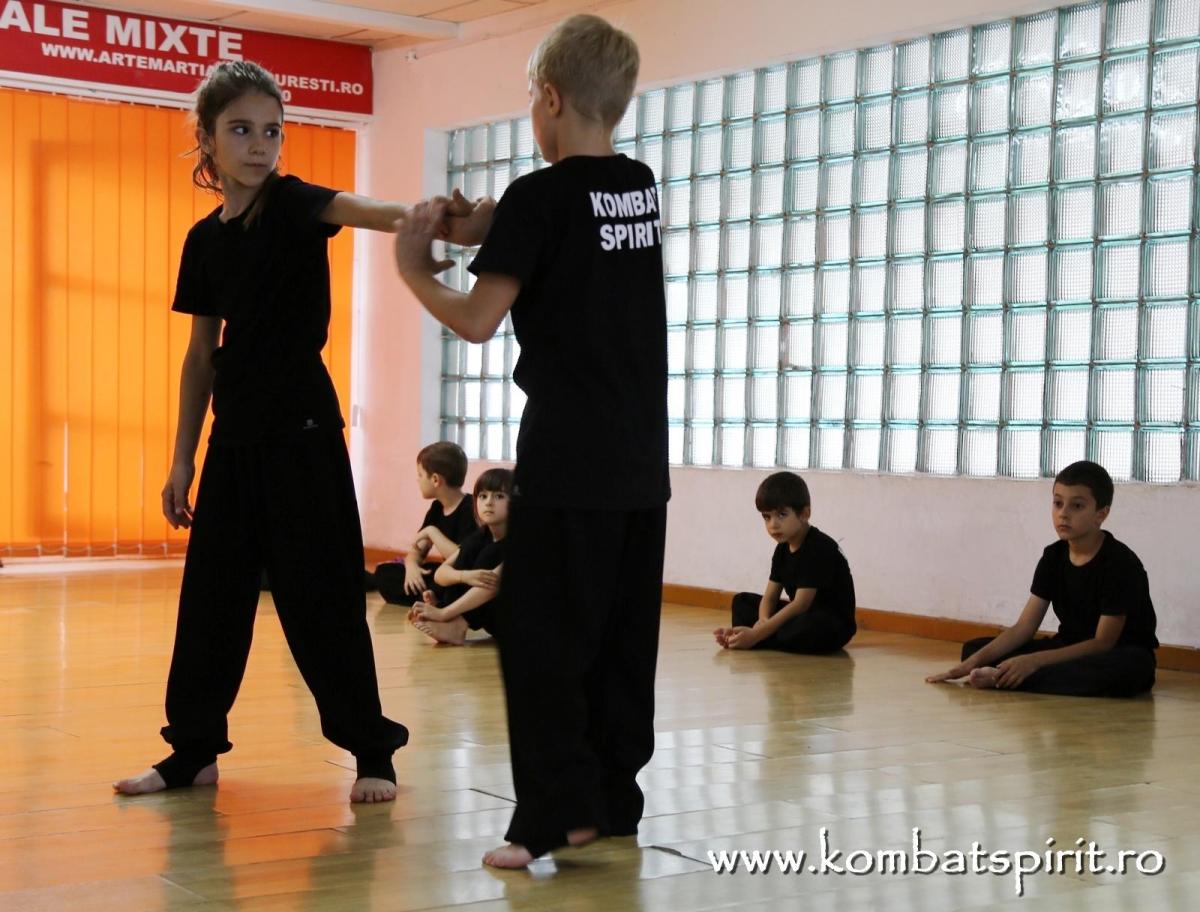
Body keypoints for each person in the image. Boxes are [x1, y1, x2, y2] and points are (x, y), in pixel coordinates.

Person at [112, 61, 481, 803]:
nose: (259, 144)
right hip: (234, 436)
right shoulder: (203, 240)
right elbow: (201, 355)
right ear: (207, 139)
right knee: (212, 600)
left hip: (304, 431)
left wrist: (435, 218)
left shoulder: (294, 203)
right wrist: (182, 459)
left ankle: (371, 749)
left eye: (272, 131)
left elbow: (368, 208)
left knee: (322, 598)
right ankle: (193, 751)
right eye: (241, 129)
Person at [393, 14, 669, 868]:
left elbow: (479, 318)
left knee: (542, 638)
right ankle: (612, 801)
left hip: (568, 454)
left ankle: (552, 815)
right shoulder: (637, 186)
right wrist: (487, 222)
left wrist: (414, 269)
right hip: (639, 460)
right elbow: (564, 229)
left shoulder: (538, 197)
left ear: (548, 97)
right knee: (621, 640)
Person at [926, 460, 1158, 697]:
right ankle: (1013, 674)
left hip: (1117, 652)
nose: (1063, 514)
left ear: (1101, 514)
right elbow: (1025, 627)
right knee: (974, 649)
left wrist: (1034, 660)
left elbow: (1103, 643)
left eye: (1077, 506)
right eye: (1058, 503)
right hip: (1067, 646)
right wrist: (969, 664)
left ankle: (1006, 676)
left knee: (1125, 672)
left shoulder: (1120, 563)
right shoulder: (1053, 556)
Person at [715, 472, 856, 653]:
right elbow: (770, 597)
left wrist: (758, 633)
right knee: (742, 602)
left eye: (782, 515)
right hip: (800, 615)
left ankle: (755, 639)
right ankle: (755, 637)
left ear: (804, 514)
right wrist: (763, 621)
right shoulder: (782, 548)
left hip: (828, 623)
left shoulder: (818, 547)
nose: (773, 524)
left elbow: (800, 604)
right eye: (767, 517)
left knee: (807, 626)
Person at [409, 467, 512, 645]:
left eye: (499, 496)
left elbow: (493, 585)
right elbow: (441, 573)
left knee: (489, 553)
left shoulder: (523, 540)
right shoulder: (481, 536)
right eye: (483, 496)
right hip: (493, 618)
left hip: (521, 619)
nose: (489, 503)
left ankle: (455, 623)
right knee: (468, 554)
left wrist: (444, 612)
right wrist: (466, 576)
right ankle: (453, 622)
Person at [374, 442, 477, 606]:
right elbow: (417, 549)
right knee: (384, 573)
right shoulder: (437, 507)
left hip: (463, 576)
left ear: (435, 479)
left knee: (447, 583)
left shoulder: (470, 508)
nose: (418, 480)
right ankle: (433, 598)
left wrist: (432, 532)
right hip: (443, 574)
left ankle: (439, 599)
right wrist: (411, 566)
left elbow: (462, 558)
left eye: (420, 475)